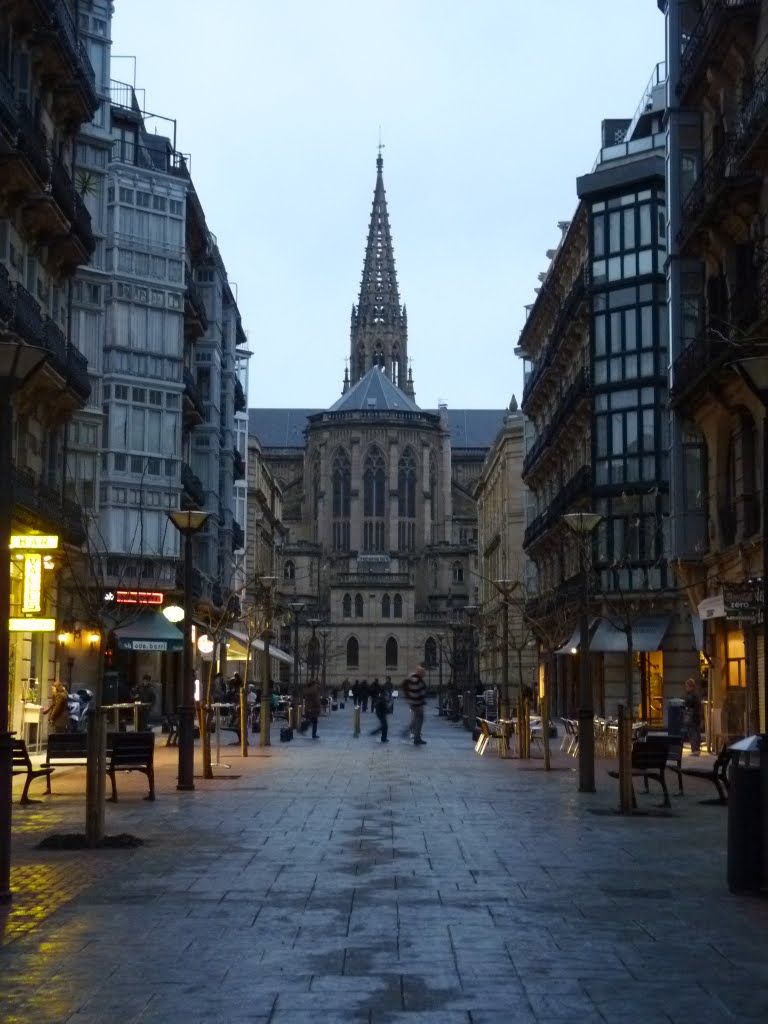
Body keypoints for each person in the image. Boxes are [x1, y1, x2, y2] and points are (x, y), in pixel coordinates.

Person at [402, 665, 427, 746]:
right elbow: (418, 692)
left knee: (416, 719)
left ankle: (410, 732)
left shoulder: (412, 677)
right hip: (416, 703)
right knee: (419, 720)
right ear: (420, 673)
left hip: (413, 703)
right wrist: (422, 700)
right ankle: (416, 737)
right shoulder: (417, 680)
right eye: (423, 673)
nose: (424, 674)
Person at [683, 677, 702, 755]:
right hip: (696, 717)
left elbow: (688, 704)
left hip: (692, 718)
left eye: (687, 686)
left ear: (691, 687)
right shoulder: (696, 695)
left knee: (692, 733)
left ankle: (695, 750)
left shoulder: (691, 696)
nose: (686, 688)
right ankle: (696, 749)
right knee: (696, 733)